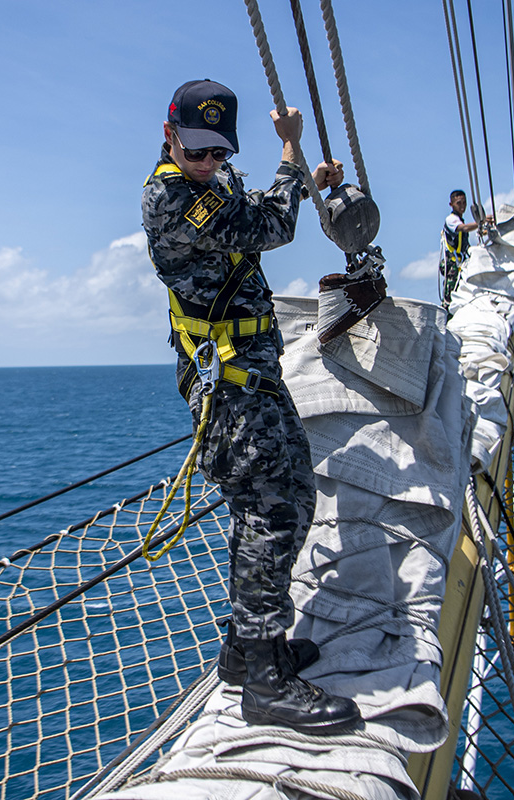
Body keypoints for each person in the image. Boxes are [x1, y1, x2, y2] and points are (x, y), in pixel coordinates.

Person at [141, 79, 361, 734]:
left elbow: (257, 199)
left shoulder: (214, 178)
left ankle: (244, 652)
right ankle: (264, 679)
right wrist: (291, 157)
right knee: (278, 504)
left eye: (217, 153)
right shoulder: (172, 199)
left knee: (268, 501)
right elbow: (273, 224)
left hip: (250, 368)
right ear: (168, 133)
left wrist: (299, 169)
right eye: (197, 150)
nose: (208, 163)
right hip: (227, 378)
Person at [440, 189, 489, 310]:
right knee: (450, 299)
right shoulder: (451, 220)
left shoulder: (460, 220)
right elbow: (464, 228)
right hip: (452, 265)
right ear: (451, 204)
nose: (462, 206)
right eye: (459, 203)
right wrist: (481, 222)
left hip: (461, 264)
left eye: (464, 203)